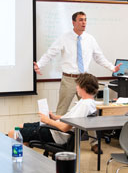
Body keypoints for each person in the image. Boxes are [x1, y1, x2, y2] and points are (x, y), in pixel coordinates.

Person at [33, 11, 118, 153]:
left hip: (85, 80)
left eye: (85, 20)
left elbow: (99, 57)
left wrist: (112, 67)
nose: (83, 23)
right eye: (80, 20)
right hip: (68, 79)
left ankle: (94, 143)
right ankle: (58, 140)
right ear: (73, 22)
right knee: (61, 110)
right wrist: (39, 65)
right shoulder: (64, 38)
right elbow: (50, 53)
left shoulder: (90, 39)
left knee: (91, 113)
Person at [9, 73, 99, 146]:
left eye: (78, 85)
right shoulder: (86, 102)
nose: (76, 88)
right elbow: (70, 120)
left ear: (84, 88)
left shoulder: (85, 105)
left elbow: (65, 128)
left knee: (13, 133)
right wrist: (55, 117)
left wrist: (48, 120)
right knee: (21, 127)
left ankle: (21, 159)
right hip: (55, 129)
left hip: (56, 134)